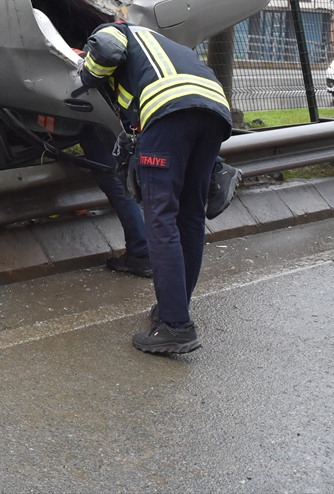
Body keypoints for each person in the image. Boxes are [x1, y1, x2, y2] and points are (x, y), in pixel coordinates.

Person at [79, 20, 232, 354]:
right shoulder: (161, 44)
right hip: (215, 109)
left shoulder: (116, 28)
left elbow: (105, 49)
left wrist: (85, 70)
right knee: (190, 217)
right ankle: (172, 312)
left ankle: (176, 327)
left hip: (168, 112)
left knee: (161, 219)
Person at [79, 123, 151, 277]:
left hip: (98, 120)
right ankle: (144, 250)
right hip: (121, 122)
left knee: (114, 182)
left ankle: (140, 252)